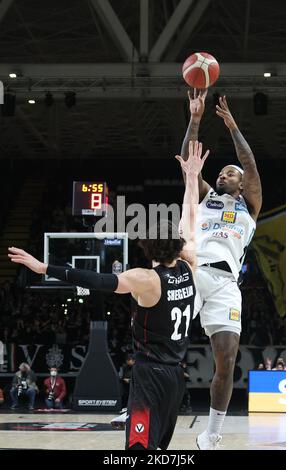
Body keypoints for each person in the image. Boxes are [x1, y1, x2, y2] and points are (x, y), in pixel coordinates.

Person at [8, 140, 209, 450]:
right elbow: (191, 219)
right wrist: (192, 178)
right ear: (177, 244)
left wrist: (44, 266)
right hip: (175, 378)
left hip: (149, 377)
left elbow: (95, 279)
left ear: (146, 245)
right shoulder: (189, 265)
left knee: (138, 449)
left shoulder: (145, 280)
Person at [180, 89, 262, 450]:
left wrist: (232, 127)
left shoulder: (251, 206)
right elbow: (188, 160)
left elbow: (251, 165)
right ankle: (142, 404)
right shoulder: (205, 196)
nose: (224, 174)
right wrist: (196, 120)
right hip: (195, 273)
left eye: (231, 172)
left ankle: (211, 434)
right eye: (223, 171)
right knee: (166, 343)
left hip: (227, 284)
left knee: (226, 360)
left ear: (242, 184)